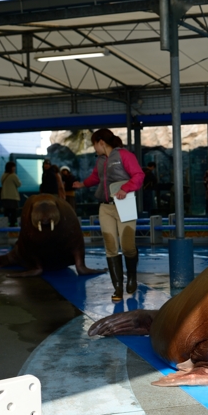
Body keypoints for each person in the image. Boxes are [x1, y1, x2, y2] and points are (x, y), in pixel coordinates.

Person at [73, 128, 144, 302]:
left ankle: (132, 277)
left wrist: (125, 189)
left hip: (124, 204)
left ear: (101, 142)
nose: (94, 148)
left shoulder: (124, 155)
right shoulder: (100, 161)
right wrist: (82, 184)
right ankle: (118, 287)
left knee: (127, 247)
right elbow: (95, 178)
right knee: (111, 246)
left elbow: (139, 175)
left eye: (94, 144)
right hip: (105, 208)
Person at [0, 162, 21, 227]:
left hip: (4, 197)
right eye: (13, 167)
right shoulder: (13, 175)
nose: (14, 168)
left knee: (6, 212)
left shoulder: (3, 175)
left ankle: (5, 225)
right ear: (11, 168)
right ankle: (13, 226)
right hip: (12, 197)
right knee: (13, 212)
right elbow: (19, 184)